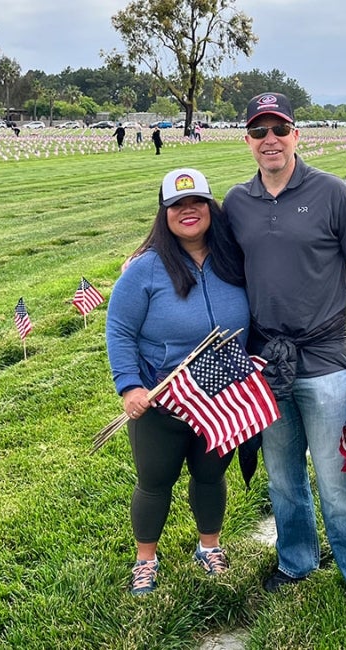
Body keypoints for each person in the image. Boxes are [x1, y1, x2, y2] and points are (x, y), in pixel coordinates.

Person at [224, 92, 346, 611]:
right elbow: (197, 244)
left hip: (323, 359)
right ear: (248, 141)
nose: (269, 140)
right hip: (265, 363)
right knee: (282, 476)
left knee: (337, 476)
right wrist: (141, 260)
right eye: (259, 131)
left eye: (279, 129)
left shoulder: (331, 193)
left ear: (297, 135)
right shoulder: (237, 202)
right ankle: (296, 560)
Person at [106, 167, 249, 596]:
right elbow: (119, 329)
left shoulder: (234, 259)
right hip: (162, 398)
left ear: (211, 208)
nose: (189, 211)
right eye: (177, 205)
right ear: (164, 214)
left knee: (210, 476)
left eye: (197, 202)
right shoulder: (145, 269)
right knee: (154, 480)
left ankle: (209, 548)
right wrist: (129, 385)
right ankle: (145, 560)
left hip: (221, 396)